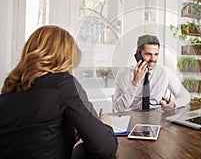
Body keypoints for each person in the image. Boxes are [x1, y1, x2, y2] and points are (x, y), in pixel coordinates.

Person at [0, 25, 118, 159]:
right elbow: (105, 147)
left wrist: (69, 132)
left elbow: (33, 139)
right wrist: (105, 126)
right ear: (64, 58)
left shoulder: (6, 93)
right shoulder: (63, 83)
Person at [113, 34, 190, 112]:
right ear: (138, 53)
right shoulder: (123, 74)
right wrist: (135, 83)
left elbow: (185, 96)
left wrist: (173, 104)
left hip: (156, 118)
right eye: (148, 54)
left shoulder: (165, 72)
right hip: (132, 118)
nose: (153, 59)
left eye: (156, 54)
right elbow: (120, 108)